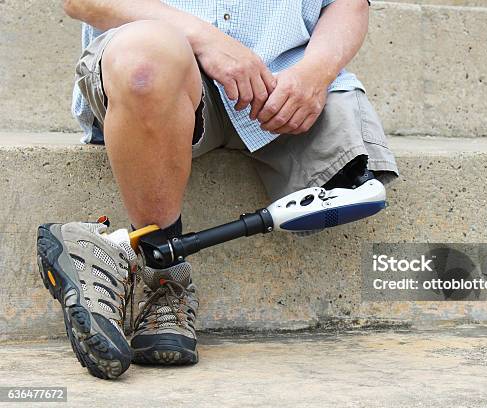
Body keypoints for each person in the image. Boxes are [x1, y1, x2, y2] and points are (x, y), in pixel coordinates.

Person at [37, 0, 399, 379]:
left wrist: (316, 73)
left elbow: (347, 4)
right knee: (144, 63)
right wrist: (207, 40)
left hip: (287, 85)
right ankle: (164, 277)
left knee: (357, 187)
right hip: (163, 70)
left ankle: (99, 251)